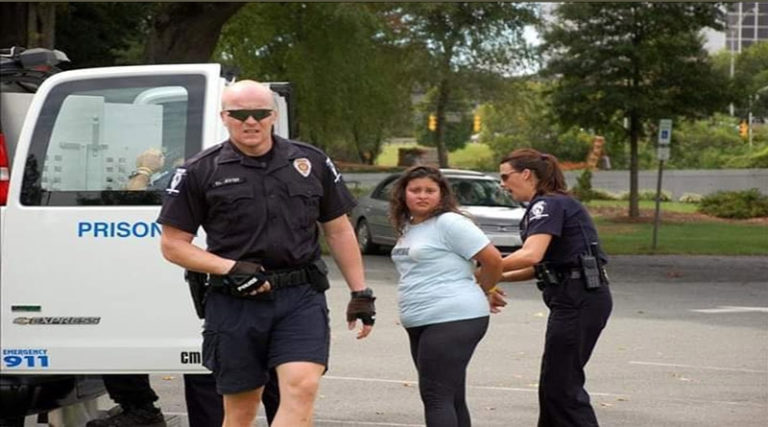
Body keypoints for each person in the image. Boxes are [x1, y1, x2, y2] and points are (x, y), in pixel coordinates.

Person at [157, 80, 375, 427]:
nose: (250, 121)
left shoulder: (310, 161)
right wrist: (230, 268)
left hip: (300, 296)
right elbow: (173, 244)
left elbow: (338, 229)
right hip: (235, 302)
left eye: (259, 113)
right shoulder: (200, 170)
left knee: (302, 387)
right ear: (224, 117)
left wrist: (360, 292)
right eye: (239, 114)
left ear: (273, 115)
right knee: (241, 411)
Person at [491, 148, 613, 427]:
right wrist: (493, 278)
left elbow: (531, 255)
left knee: (562, 387)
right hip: (575, 296)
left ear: (526, 174)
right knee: (552, 385)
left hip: (578, 298)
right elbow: (542, 266)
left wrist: (486, 268)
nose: (502, 184)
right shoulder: (550, 204)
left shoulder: (547, 205)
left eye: (505, 176)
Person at [389, 165, 502, 427]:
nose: (422, 195)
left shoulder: (450, 223)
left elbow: (493, 260)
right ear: (403, 194)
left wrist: (485, 289)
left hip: (453, 317)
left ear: (442, 194)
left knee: (436, 397)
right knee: (451, 396)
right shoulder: (409, 227)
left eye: (430, 190)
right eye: (415, 190)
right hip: (420, 320)